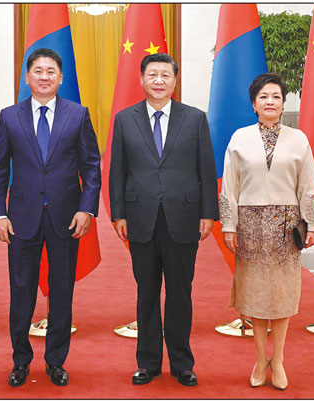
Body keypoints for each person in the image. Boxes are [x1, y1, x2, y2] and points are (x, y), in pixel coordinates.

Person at [0, 48, 101, 387]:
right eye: (37, 71)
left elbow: (92, 167)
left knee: (62, 292)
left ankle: (56, 361)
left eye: (51, 71)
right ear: (27, 77)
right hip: (21, 219)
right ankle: (21, 360)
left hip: (66, 218)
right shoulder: (10, 116)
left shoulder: (77, 114)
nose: (44, 76)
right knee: (21, 291)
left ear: (60, 77)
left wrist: (87, 208)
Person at [109, 53, 219, 386]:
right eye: (152, 74)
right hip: (140, 217)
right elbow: (118, 171)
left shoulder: (195, 118)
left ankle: (182, 363)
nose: (159, 80)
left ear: (175, 80)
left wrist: (208, 213)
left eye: (165, 75)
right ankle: (148, 362)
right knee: (146, 292)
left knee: (180, 293)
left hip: (183, 217)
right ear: (141, 79)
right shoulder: (125, 119)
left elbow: (206, 169)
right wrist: (118, 213)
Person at [219, 72, 314, 390]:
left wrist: (313, 222)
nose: (270, 101)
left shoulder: (299, 139)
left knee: (281, 297)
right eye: (264, 96)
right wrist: (228, 224)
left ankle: (278, 361)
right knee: (255, 297)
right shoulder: (239, 138)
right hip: (249, 226)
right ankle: (259, 359)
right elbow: (230, 186)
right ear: (254, 103)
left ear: (283, 102)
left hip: (285, 226)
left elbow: (308, 184)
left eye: (276, 96)